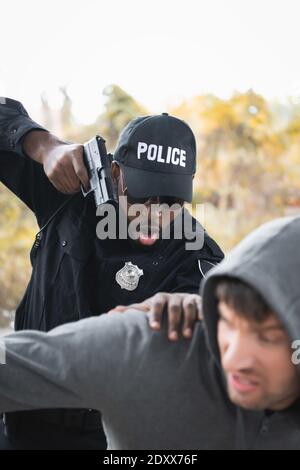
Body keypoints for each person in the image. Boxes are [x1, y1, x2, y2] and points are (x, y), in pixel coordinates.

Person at [0, 98, 224, 449]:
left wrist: (191, 309)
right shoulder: (68, 192)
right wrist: (43, 146)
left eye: (171, 202)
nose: (155, 213)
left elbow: (217, 323)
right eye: (143, 196)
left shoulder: (195, 250)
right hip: (23, 414)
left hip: (112, 435)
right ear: (116, 175)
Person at [0, 215, 299, 449]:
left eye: (267, 337)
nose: (234, 357)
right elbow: (12, 362)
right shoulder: (148, 345)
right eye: (227, 323)